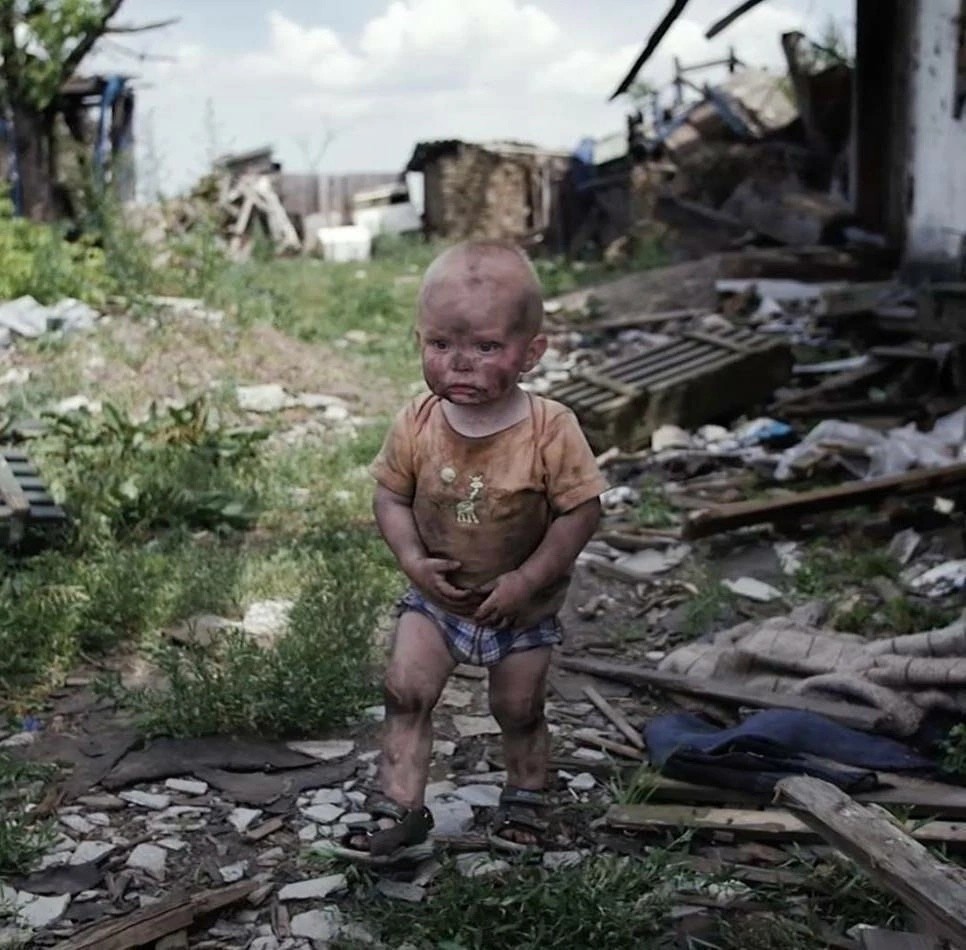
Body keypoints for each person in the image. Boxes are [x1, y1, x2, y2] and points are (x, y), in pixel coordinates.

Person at [358, 239, 607, 859]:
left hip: (521, 609)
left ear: (532, 353)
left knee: (517, 707)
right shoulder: (416, 422)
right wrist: (413, 562)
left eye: (486, 347)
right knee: (404, 690)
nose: (459, 365)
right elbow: (389, 499)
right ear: (419, 341)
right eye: (441, 345)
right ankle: (397, 807)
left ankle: (524, 800)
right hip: (436, 602)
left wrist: (527, 580)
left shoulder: (550, 429)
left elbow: (582, 511)